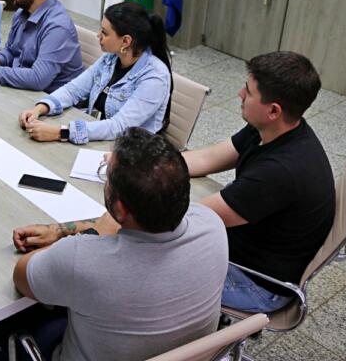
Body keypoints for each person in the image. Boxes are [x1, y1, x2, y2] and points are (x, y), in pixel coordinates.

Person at [12, 128, 228, 361]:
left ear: (120, 210)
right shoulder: (212, 224)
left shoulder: (81, 260)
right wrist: (61, 230)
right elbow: (117, 224)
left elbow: (21, 275)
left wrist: (94, 233)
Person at [183, 51, 335, 313]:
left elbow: (194, 217)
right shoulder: (272, 129)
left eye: (249, 92)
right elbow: (207, 158)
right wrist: (147, 165)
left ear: (273, 110)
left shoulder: (280, 171)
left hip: (258, 285)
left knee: (149, 263)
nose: (240, 94)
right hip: (242, 249)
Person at [18, 1, 171, 144]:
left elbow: (119, 126)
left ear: (125, 41)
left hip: (130, 149)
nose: (98, 35)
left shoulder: (155, 77)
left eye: (104, 33)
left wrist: (61, 132)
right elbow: (73, 90)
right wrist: (39, 109)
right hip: (97, 138)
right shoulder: (111, 58)